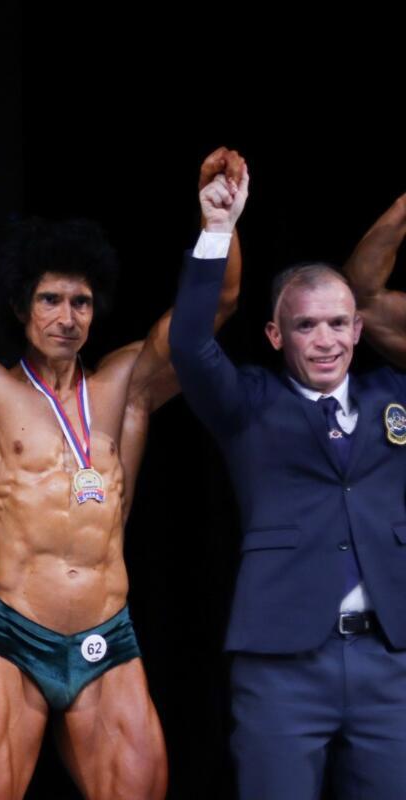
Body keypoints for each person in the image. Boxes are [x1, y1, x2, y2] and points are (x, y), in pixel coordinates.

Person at [0, 92, 245, 799]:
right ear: (23, 308)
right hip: (17, 636)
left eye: (81, 302)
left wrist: (219, 222)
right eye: (51, 300)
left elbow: (215, 309)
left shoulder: (126, 388)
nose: (67, 317)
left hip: (107, 636)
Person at [171, 182, 406, 799]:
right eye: (306, 325)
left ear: (359, 329)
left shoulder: (393, 394)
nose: (325, 340)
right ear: (277, 335)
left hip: (390, 661)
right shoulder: (248, 403)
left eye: (337, 324)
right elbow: (188, 345)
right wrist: (217, 229)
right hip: (282, 665)